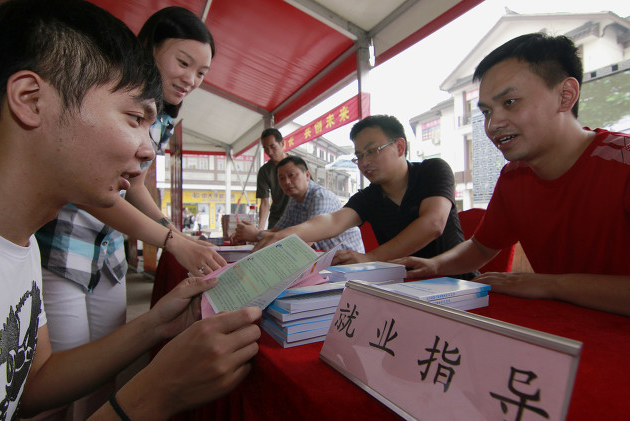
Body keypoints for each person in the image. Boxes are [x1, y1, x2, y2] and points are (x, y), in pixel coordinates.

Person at [0, 1, 261, 420]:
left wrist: (155, 326)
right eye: (134, 117)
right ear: (30, 99)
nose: (146, 150)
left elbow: (31, 384)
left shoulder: (20, 249)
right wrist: (154, 393)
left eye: (201, 73)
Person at [394, 33, 630, 317]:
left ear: (565, 95)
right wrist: (434, 265)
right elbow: (481, 247)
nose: (493, 125)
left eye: (510, 102)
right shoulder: (513, 177)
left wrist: (550, 285)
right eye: (486, 111)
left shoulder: (622, 163)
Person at [255, 115, 472, 279]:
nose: (364, 162)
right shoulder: (370, 196)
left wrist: (370, 258)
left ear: (399, 146)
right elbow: (333, 220)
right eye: (358, 156)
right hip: (405, 285)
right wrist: (283, 235)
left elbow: (433, 224)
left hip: (458, 282)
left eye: (372, 151)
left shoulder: (433, 170)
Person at [234, 156, 365, 252]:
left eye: (291, 175)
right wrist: (250, 234)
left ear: (307, 175)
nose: (287, 182)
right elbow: (277, 231)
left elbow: (307, 241)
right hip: (324, 258)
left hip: (348, 260)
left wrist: (257, 234)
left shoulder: (320, 196)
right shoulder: (294, 200)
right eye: (281, 178)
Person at [256, 128, 290, 229]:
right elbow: (265, 203)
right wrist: (260, 230)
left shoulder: (298, 164)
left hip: (299, 220)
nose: (269, 152)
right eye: (265, 148)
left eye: (272, 146)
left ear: (282, 143)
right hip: (276, 221)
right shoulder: (264, 171)